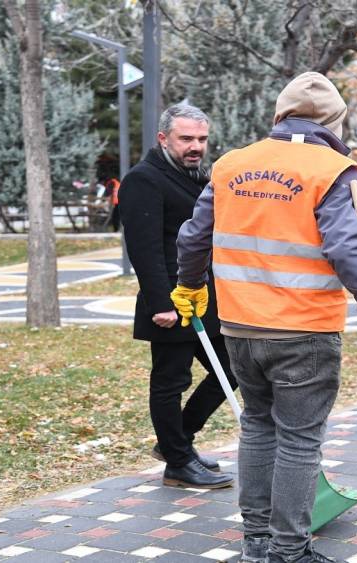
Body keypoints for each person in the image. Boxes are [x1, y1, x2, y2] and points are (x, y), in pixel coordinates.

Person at [171, 72, 357, 563]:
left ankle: (256, 543)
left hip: (239, 326)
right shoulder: (332, 168)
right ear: (335, 120)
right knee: (299, 441)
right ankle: (290, 552)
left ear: (280, 115)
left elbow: (194, 237)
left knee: (257, 426)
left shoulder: (233, 164)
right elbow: (348, 248)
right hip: (304, 329)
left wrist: (189, 285)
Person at [117, 103, 236, 490]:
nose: (196, 146)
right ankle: (179, 462)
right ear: (163, 138)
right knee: (171, 381)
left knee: (231, 367)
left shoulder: (197, 177)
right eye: (186, 138)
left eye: (201, 139)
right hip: (170, 298)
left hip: (204, 296)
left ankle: (177, 442)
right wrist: (161, 304)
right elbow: (144, 248)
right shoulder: (143, 180)